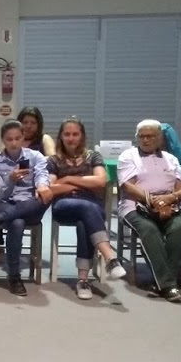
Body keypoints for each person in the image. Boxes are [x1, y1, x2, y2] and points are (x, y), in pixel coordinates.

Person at [45, 117, 127, 299]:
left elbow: (101, 181)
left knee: (85, 222)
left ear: (82, 136)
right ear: (61, 137)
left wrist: (68, 179)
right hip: (64, 206)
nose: (71, 138)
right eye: (67, 134)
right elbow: (51, 188)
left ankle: (82, 280)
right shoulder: (53, 160)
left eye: (75, 134)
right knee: (87, 207)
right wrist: (83, 185)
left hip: (91, 209)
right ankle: (110, 257)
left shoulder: (93, 156)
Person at [117, 119, 181, 303]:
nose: (146, 140)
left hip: (169, 205)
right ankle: (167, 285)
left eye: (150, 136)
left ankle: (161, 282)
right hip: (135, 206)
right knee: (150, 230)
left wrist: (169, 199)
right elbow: (127, 186)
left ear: (159, 138)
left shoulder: (171, 159)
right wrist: (153, 201)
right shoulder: (128, 155)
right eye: (142, 136)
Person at [0, 119, 52, 296]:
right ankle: (14, 276)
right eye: (9, 139)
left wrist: (42, 186)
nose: (14, 143)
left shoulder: (35, 156)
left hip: (29, 205)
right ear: (3, 139)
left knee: (45, 197)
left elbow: (42, 175)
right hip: (4, 203)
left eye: (17, 138)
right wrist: (11, 180)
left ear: (23, 137)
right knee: (17, 223)